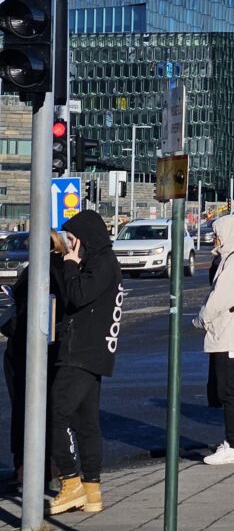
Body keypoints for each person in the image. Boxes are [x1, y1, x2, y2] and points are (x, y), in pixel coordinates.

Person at [47, 211, 123, 516]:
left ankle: (71, 482)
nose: (68, 244)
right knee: (86, 422)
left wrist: (69, 265)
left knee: (55, 412)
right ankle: (92, 490)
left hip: (81, 353)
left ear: (85, 238)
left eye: (72, 239)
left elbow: (77, 295)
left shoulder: (102, 263)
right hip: (92, 352)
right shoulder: (102, 262)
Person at [2, 230, 66, 488]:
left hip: (27, 351)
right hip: (51, 349)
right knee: (48, 409)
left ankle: (27, 469)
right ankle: (51, 466)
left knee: (25, 408)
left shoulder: (42, 271)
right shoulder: (63, 267)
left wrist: (9, 323)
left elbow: (29, 314)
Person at [195, 214, 234, 465]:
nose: (214, 238)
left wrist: (202, 317)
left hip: (230, 334)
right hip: (225, 333)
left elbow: (221, 297)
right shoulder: (228, 257)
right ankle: (233, 442)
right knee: (226, 389)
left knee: (230, 390)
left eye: (217, 233)